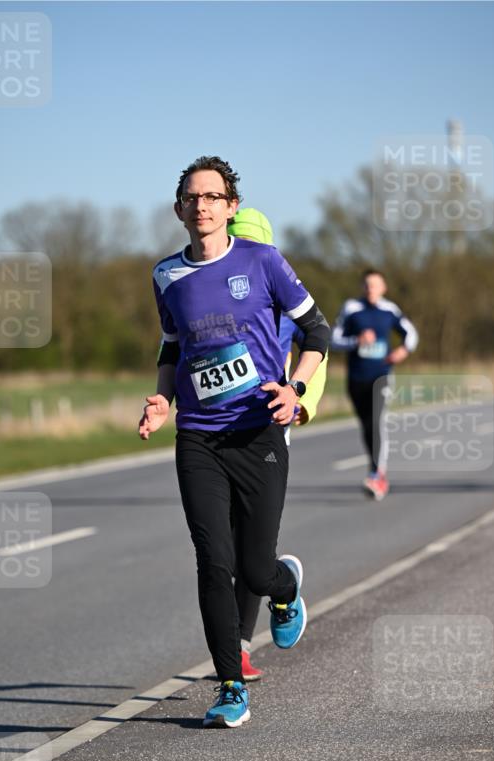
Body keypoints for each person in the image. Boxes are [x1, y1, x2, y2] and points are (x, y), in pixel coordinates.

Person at [139, 157, 330, 727]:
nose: (202, 205)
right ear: (179, 209)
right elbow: (172, 349)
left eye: (213, 196)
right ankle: (228, 685)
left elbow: (317, 330)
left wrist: (295, 390)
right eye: (192, 197)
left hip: (259, 431)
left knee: (252, 569)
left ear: (231, 207)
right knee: (212, 560)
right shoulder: (165, 275)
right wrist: (161, 400)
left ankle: (285, 583)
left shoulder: (263, 261)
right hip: (198, 437)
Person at [226, 207, 328, 682]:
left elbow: (318, 345)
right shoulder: (209, 288)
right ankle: (237, 649)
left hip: (267, 430)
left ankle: (255, 627)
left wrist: (301, 401)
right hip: (215, 433)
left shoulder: (281, 292)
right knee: (221, 546)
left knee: (246, 542)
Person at [331, 269, 418, 500]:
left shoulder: (389, 309)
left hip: (381, 375)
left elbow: (411, 333)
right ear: (362, 287)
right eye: (367, 285)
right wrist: (356, 340)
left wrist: (404, 350)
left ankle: (376, 474)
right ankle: (377, 471)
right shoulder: (351, 308)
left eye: (375, 285)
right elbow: (333, 339)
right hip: (357, 377)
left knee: (377, 422)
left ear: (383, 288)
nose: (371, 289)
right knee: (367, 425)